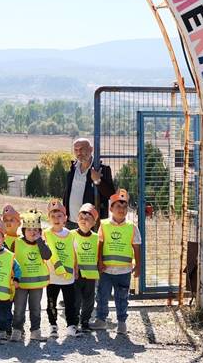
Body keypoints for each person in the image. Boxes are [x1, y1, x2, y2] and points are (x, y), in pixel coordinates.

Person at [91, 189, 141, 335]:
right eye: (118, 206)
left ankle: (121, 323)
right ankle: (101, 320)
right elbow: (99, 245)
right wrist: (99, 261)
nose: (122, 210)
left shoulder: (132, 227)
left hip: (124, 271)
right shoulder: (104, 224)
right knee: (102, 295)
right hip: (105, 270)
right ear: (111, 208)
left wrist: (138, 265)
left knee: (122, 297)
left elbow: (136, 246)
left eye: (125, 207)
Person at [11, 210, 52, 342]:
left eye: (36, 229)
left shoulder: (41, 243)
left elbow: (47, 255)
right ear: (23, 230)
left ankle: (35, 331)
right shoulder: (16, 243)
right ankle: (17, 330)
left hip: (36, 284)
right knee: (19, 308)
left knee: (35, 308)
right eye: (29, 229)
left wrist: (40, 241)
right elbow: (9, 261)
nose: (32, 232)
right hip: (21, 283)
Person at [43, 199, 78, 338]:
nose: (56, 219)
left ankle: (71, 326)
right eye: (53, 216)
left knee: (70, 303)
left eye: (59, 216)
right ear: (49, 218)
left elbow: (74, 253)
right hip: (52, 276)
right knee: (51, 303)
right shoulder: (46, 234)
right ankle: (53, 326)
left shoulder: (71, 235)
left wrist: (76, 269)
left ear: (65, 218)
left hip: (67, 277)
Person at [63, 138, 116, 227]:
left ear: (91, 149)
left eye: (82, 149)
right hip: (70, 222)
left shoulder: (102, 169)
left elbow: (111, 195)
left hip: (91, 225)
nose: (79, 153)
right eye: (76, 150)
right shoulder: (72, 168)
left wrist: (98, 181)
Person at [72, 203, 100, 333]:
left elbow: (100, 254)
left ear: (93, 223)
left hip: (91, 275)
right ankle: (74, 321)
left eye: (87, 218)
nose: (84, 220)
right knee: (75, 299)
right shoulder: (71, 235)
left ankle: (85, 321)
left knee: (89, 300)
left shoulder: (96, 238)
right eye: (81, 217)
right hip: (76, 275)